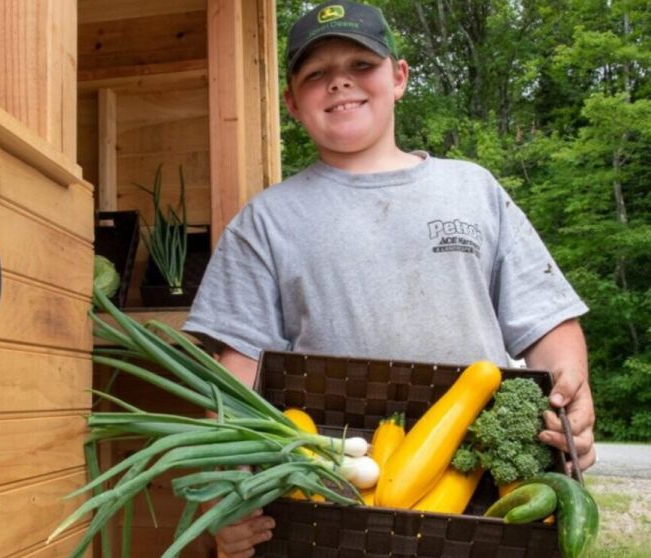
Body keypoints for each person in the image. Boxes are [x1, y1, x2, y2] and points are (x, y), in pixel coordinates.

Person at [182, 2, 597, 556]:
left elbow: (547, 320)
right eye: (316, 74)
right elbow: (236, 374)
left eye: (361, 64)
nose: (340, 83)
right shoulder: (266, 220)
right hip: (334, 492)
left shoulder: (472, 189)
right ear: (292, 102)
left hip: (478, 482)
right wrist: (225, 497)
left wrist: (572, 398)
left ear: (399, 77)